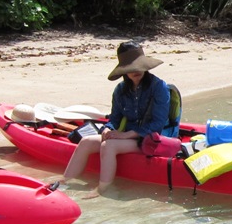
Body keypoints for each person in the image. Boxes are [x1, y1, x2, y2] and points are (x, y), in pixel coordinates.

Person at [62, 41, 177, 196]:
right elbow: (115, 118)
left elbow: (157, 124)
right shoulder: (120, 90)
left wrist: (126, 135)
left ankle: (103, 189)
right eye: (131, 68)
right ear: (124, 70)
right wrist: (108, 128)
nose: (136, 71)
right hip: (126, 138)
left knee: (108, 146)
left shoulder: (159, 87)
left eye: (138, 66)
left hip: (151, 139)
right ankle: (65, 181)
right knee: (86, 142)